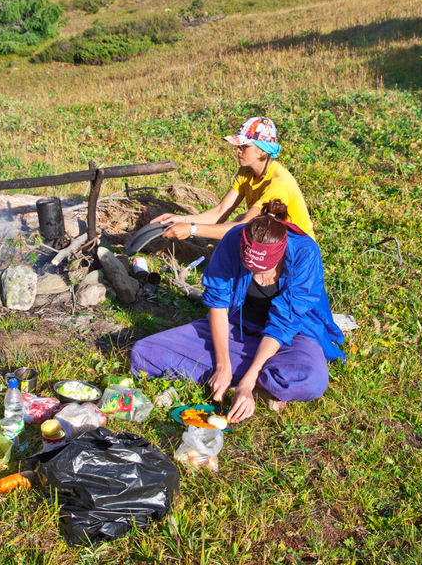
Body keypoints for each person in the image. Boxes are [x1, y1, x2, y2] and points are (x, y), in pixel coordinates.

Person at [130, 200, 344, 423]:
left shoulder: (304, 253)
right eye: (249, 268)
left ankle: (248, 380)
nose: (256, 276)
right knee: (144, 352)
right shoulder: (234, 239)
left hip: (292, 338)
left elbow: (284, 324)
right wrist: (223, 366)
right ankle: (256, 379)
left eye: (263, 271)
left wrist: (248, 381)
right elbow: (218, 303)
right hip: (238, 330)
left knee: (312, 379)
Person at [152, 116, 316, 241]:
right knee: (240, 220)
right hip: (273, 237)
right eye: (238, 146)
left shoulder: (278, 185)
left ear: (263, 151)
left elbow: (244, 227)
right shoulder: (246, 172)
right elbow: (221, 211)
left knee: (243, 224)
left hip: (297, 247)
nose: (238, 151)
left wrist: (192, 229)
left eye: (244, 146)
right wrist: (182, 219)